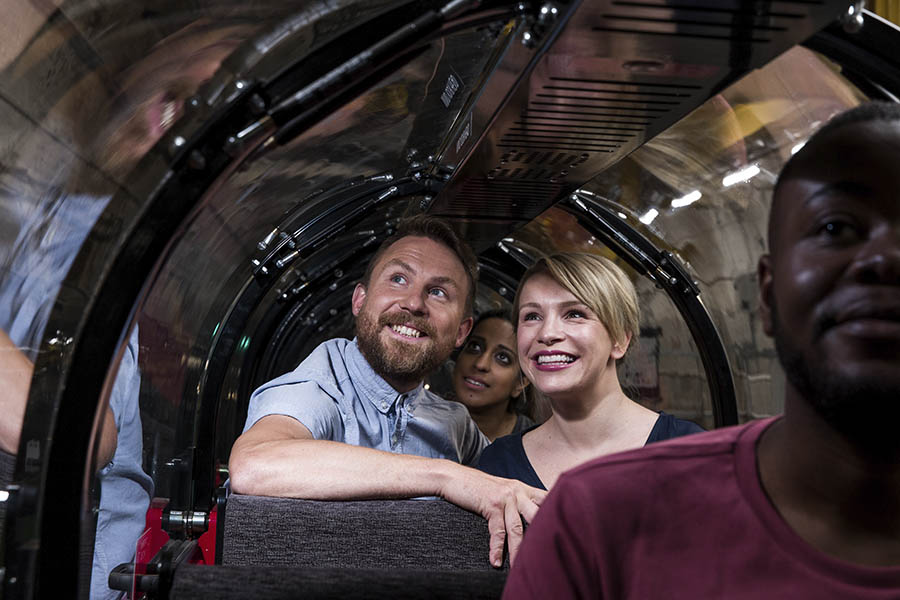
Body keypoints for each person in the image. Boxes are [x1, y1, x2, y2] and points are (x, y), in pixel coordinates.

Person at [503, 101, 900, 598]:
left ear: (621, 338)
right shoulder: (590, 514)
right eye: (836, 228)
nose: (886, 259)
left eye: (576, 313)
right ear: (768, 294)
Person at [229, 215, 546, 567]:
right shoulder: (320, 385)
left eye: (438, 292)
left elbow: (512, 487)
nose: (413, 303)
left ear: (461, 331)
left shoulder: (454, 423)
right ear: (360, 300)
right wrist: (443, 477)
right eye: (398, 279)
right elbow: (254, 466)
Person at [478, 252, 703, 490]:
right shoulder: (497, 465)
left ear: (619, 340)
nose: (546, 333)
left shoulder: (690, 451)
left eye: (575, 314)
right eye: (532, 316)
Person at [451, 310, 535, 441]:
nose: (481, 364)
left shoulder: (532, 445)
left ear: (521, 383)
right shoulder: (420, 414)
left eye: (502, 357)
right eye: (475, 346)